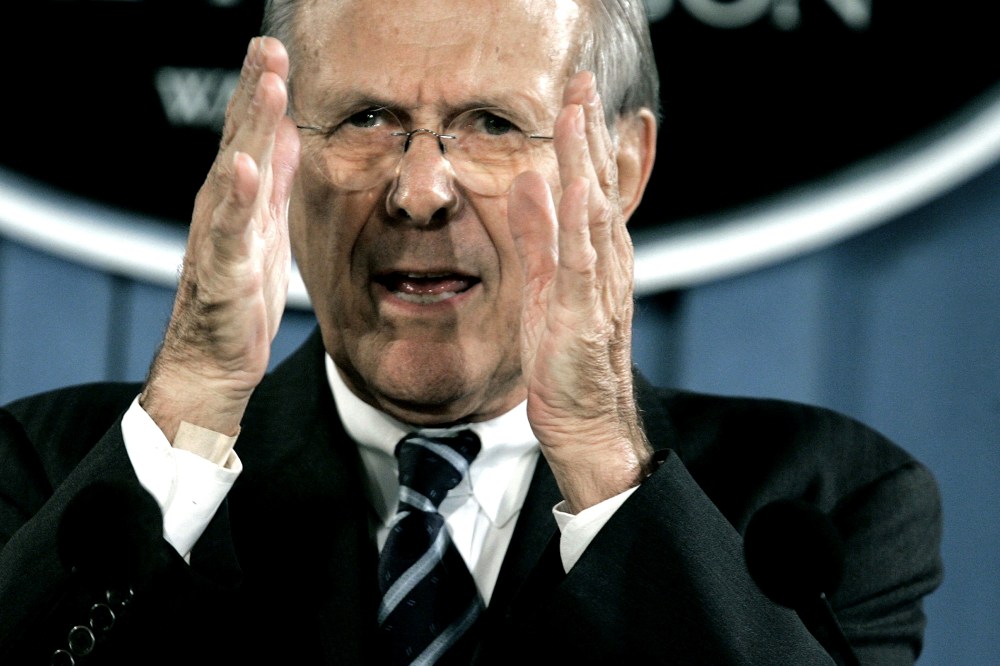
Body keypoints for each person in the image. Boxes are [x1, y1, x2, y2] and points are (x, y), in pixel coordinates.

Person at [0, 0, 942, 663]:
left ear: (621, 165)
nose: (418, 190)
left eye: (491, 124)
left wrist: (605, 458)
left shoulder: (820, 508)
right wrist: (194, 406)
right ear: (275, 152)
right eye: (366, 118)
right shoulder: (54, 474)